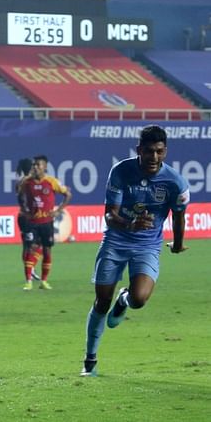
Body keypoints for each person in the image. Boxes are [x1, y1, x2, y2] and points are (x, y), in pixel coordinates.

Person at [80, 125, 189, 377]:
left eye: (160, 152)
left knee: (139, 299)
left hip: (147, 245)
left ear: (165, 151)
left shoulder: (175, 182)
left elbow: (179, 216)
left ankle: (124, 300)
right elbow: (109, 215)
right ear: (139, 150)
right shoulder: (120, 171)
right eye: (149, 151)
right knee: (101, 301)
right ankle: (90, 359)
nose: (154, 157)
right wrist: (129, 224)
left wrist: (179, 243)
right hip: (115, 241)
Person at [18, 155, 72, 291]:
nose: (35, 167)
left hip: (46, 222)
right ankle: (28, 281)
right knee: (30, 248)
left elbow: (68, 195)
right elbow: (19, 195)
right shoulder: (26, 182)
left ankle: (44, 281)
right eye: (34, 165)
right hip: (31, 222)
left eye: (38, 165)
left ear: (45, 167)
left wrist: (58, 210)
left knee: (47, 250)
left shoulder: (51, 182)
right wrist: (24, 209)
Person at [15, 158, 41, 282]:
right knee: (32, 245)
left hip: (26, 217)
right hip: (27, 218)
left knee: (31, 245)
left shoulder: (22, 182)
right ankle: (30, 271)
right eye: (33, 166)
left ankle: (31, 269)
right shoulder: (26, 182)